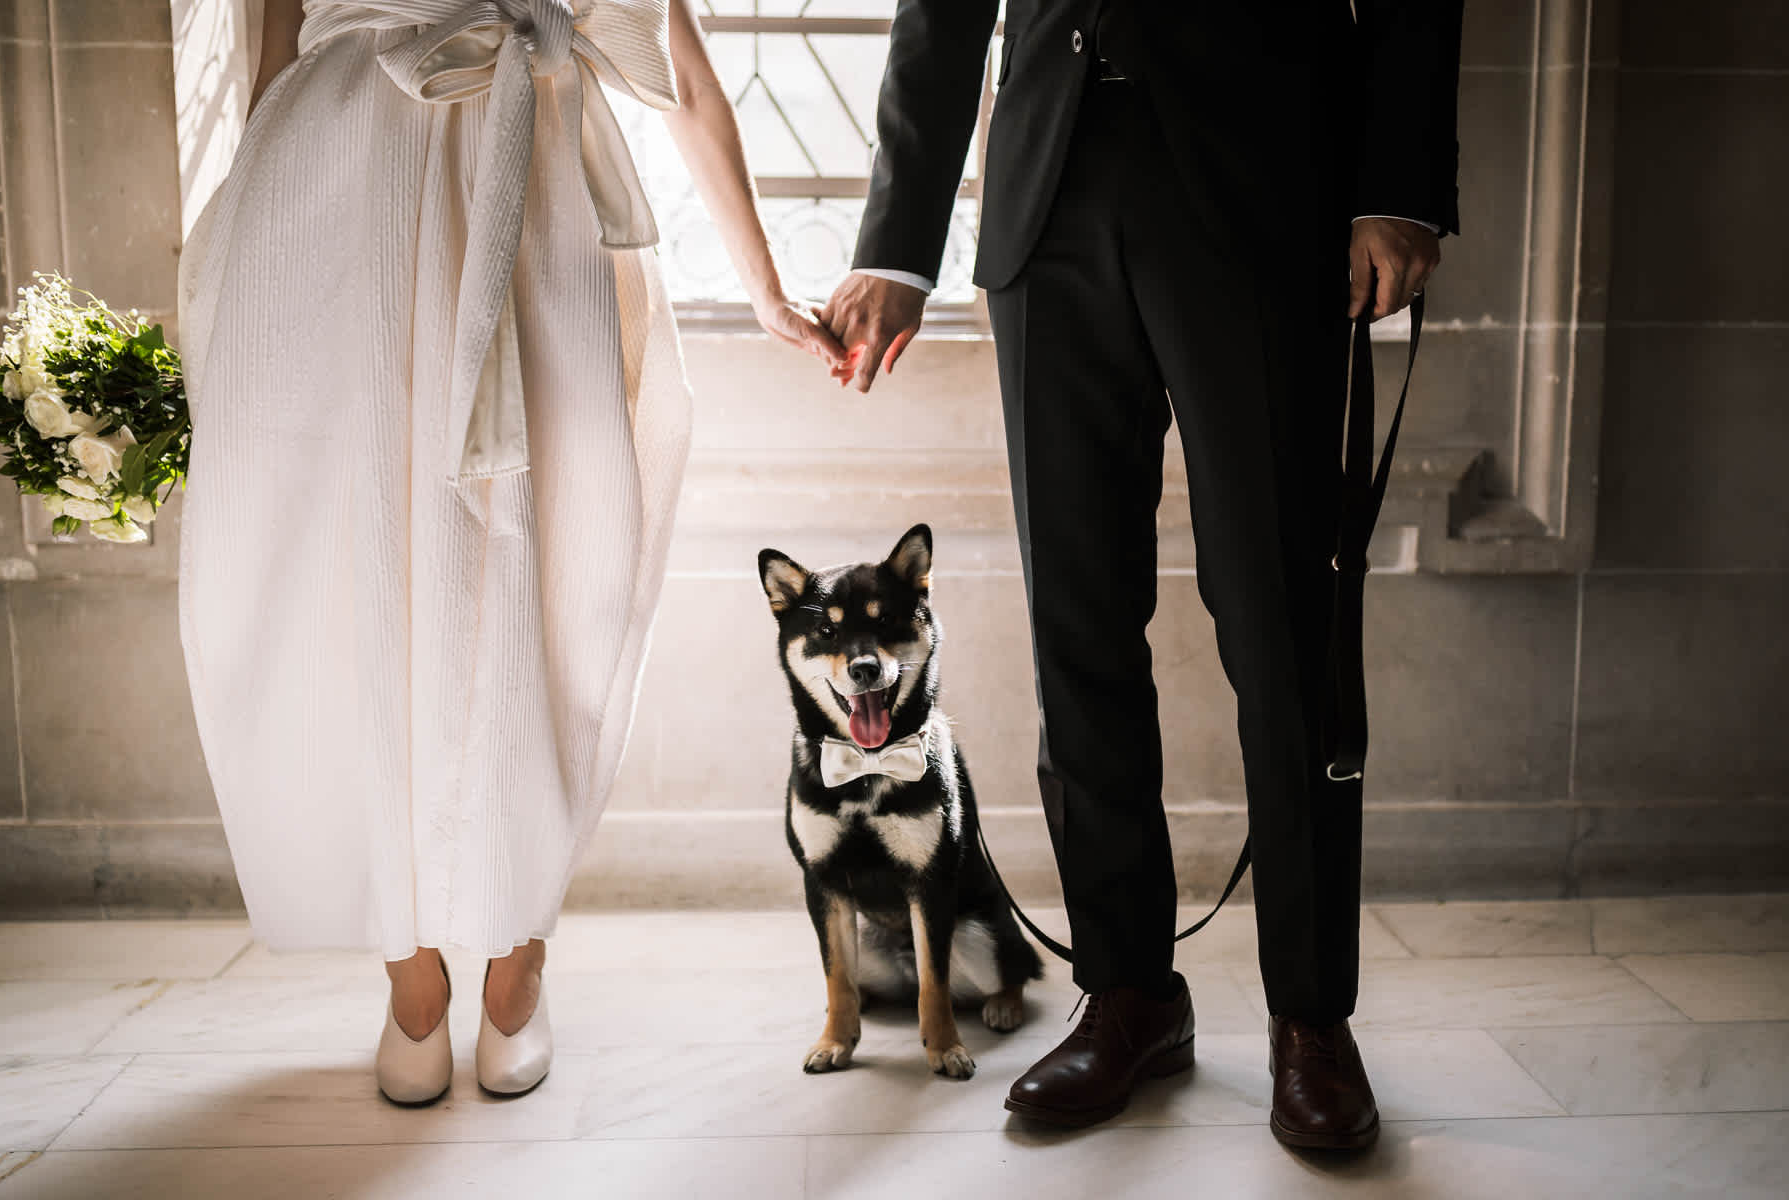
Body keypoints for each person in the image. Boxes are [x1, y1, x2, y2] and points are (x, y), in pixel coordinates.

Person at [821, 0, 1460, 1149]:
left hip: (1264, 187)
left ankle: (1310, 1017)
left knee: (1280, 630)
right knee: (1077, 626)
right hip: (1046, 190)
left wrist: (1397, 185)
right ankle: (1127, 993)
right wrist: (895, 240)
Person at [178, 0, 842, 1105]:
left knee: (548, 566)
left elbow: (661, 35)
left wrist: (761, 280)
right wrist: (237, 263)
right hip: (335, 181)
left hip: (528, 171)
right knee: (344, 572)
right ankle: (411, 967)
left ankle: (515, 945)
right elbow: (276, 29)